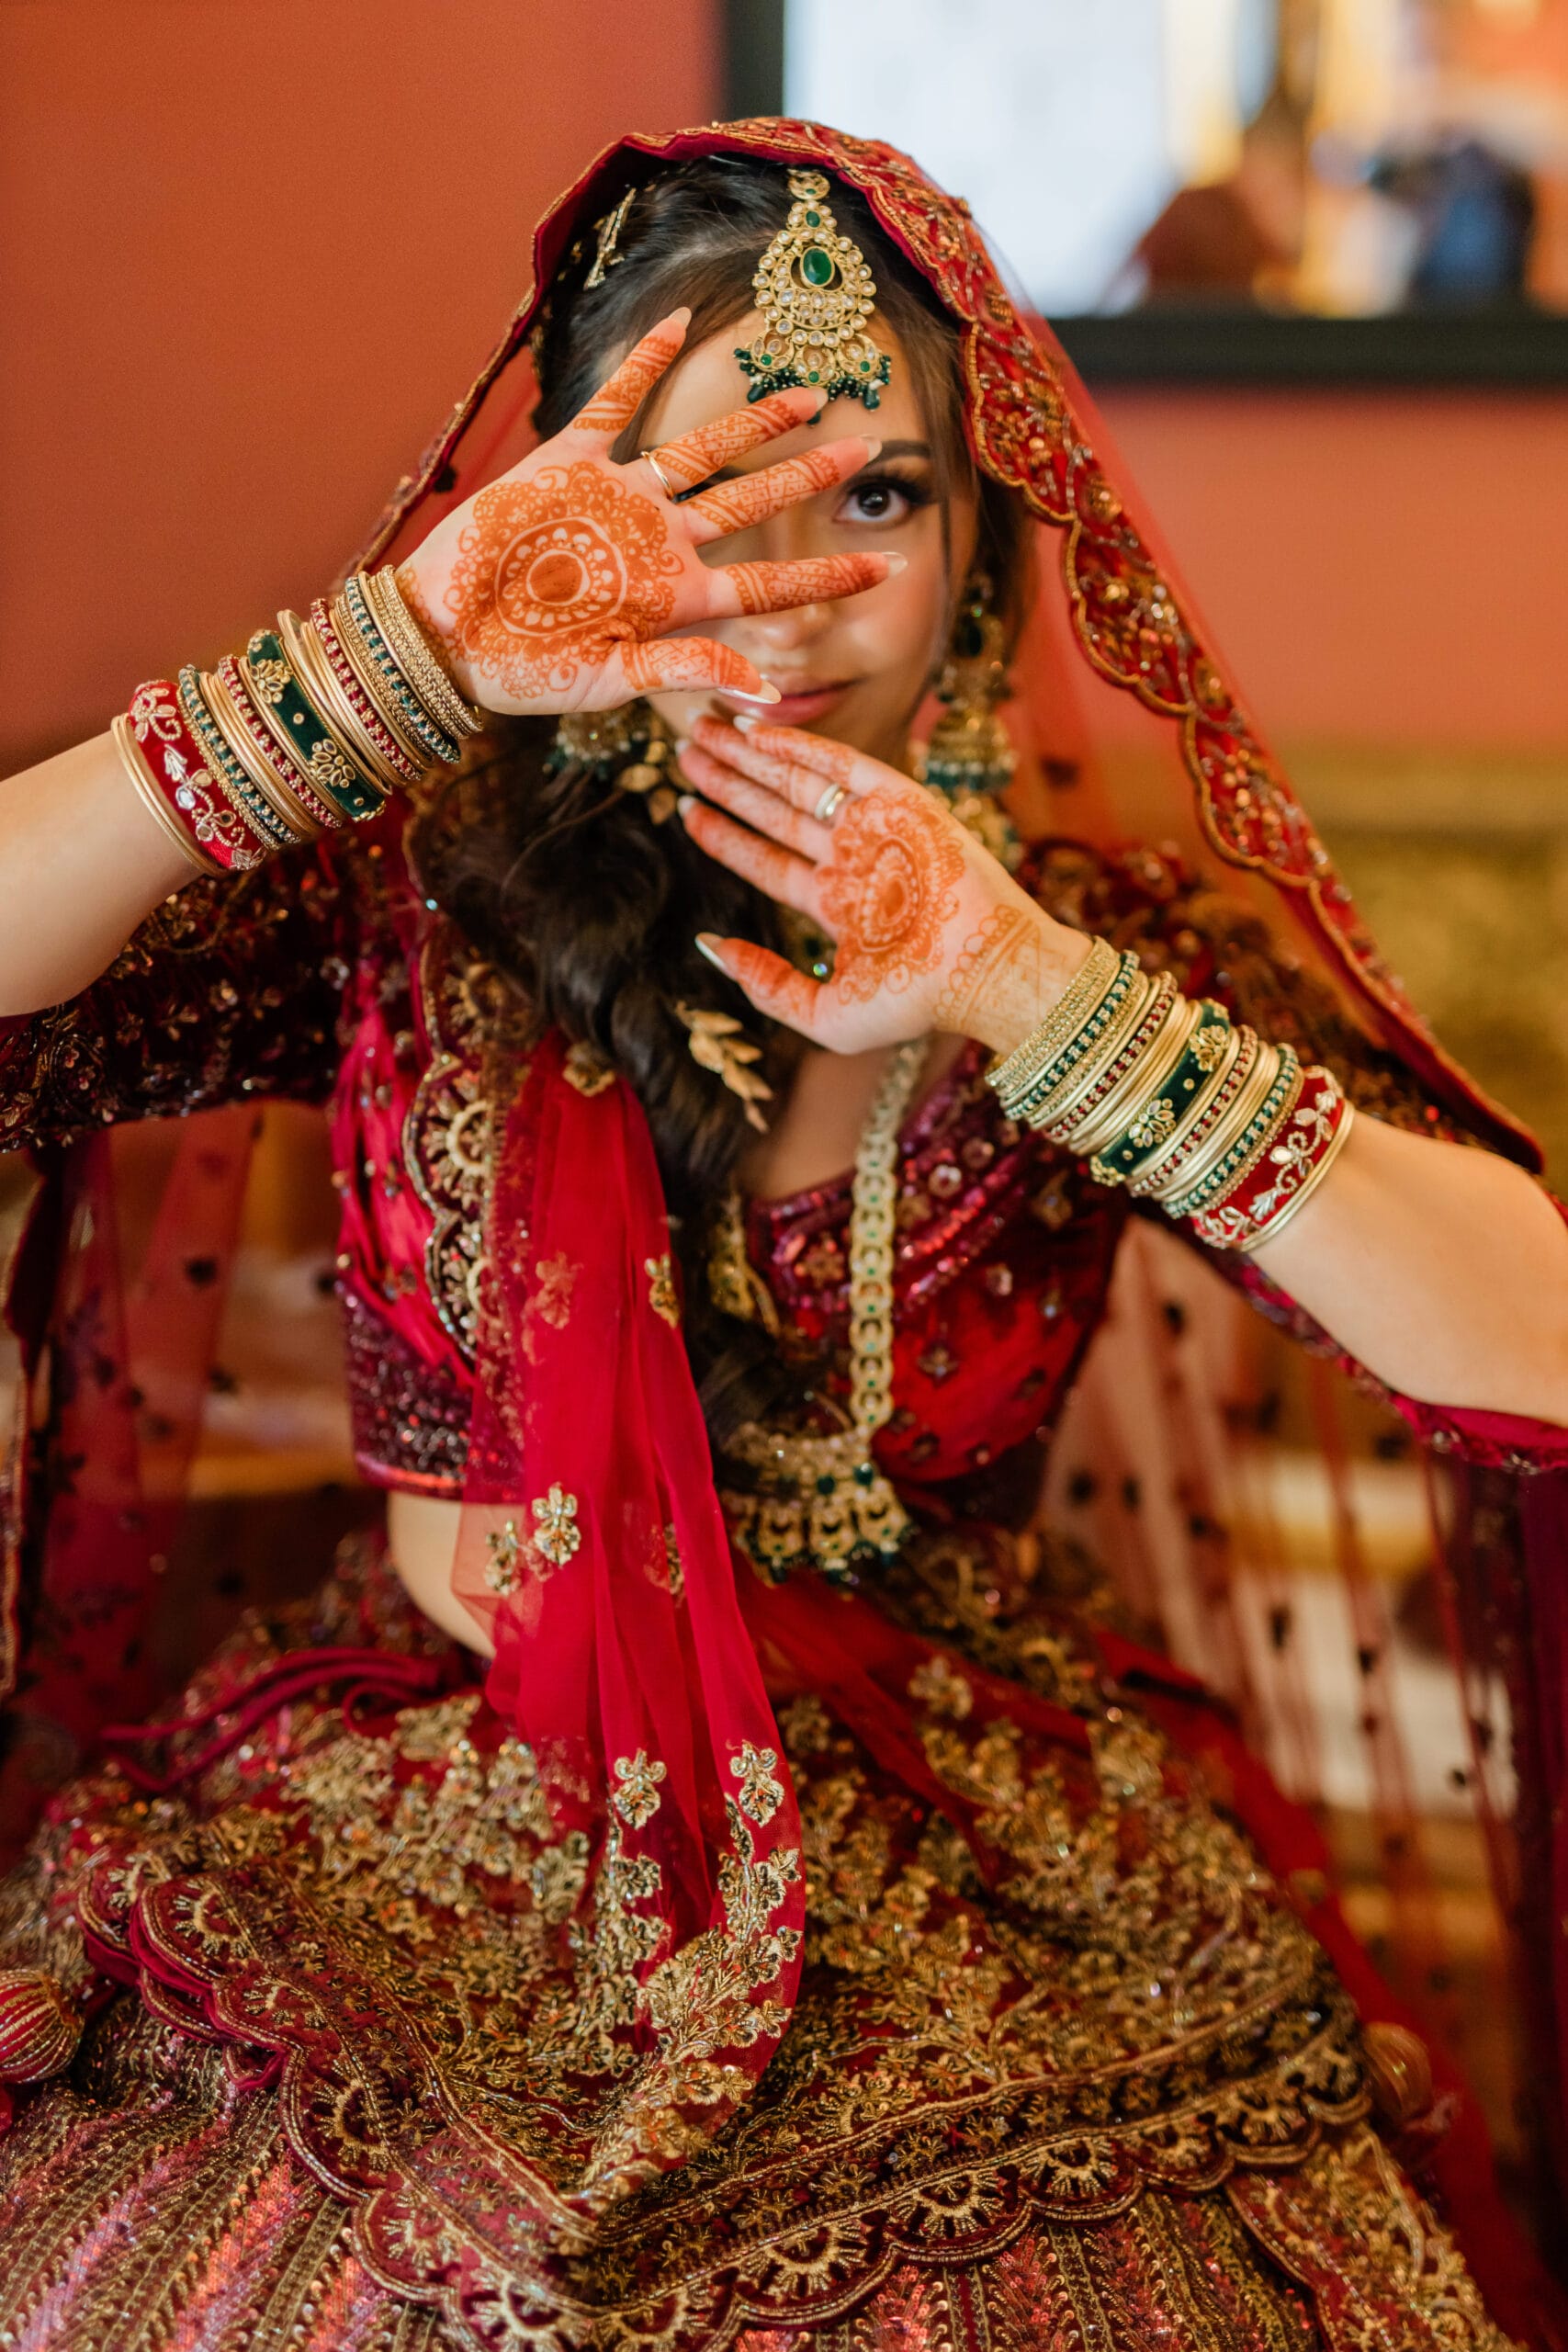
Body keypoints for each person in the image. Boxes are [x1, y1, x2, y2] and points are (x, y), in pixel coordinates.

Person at [0, 119, 1564, 2352]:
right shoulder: (410, 897)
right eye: (705, 489)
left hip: (963, 1864)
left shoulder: (1071, 949)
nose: (797, 580)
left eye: (878, 494)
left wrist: (1030, 999)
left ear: (981, 547)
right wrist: (388, 659)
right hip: (425, 1809)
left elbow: (1535, 1336)